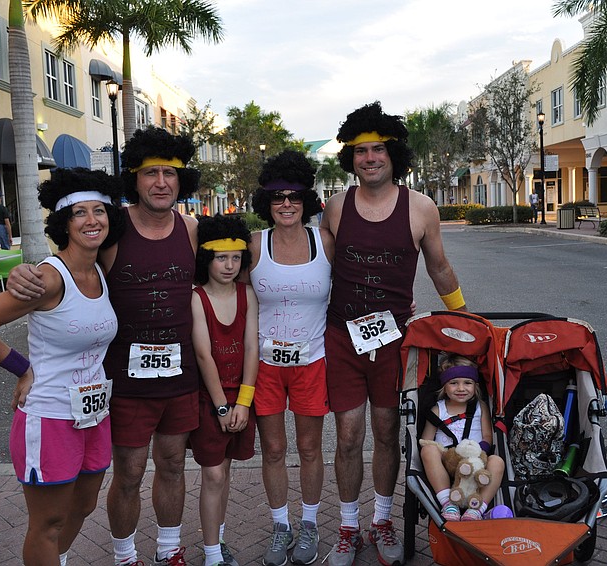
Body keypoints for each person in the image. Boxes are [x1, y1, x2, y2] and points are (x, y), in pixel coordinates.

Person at [6, 126, 202, 566]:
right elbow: (70, 265)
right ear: (134, 179)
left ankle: (170, 549)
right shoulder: (114, 231)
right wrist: (22, 272)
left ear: (180, 180)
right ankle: (124, 555)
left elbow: (225, 282)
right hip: (125, 381)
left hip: (181, 375)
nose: (160, 182)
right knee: (129, 473)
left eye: (169, 173)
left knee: (172, 465)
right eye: (150, 173)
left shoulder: (191, 229)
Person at [320, 101, 467, 566]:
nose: (369, 158)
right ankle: (348, 527)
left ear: (393, 153)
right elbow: (314, 271)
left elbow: (439, 267)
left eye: (378, 149)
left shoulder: (420, 208)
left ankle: (382, 520)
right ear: (351, 158)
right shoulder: (337, 207)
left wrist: (465, 321)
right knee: (347, 436)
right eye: (360, 151)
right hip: (342, 337)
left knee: (386, 433)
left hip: (392, 340)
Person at [0, 168, 124, 565]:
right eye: (79, 212)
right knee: (47, 521)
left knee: (83, 506)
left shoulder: (100, 268)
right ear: (64, 223)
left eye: (98, 211)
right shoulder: (48, 278)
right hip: (49, 415)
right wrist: (22, 367)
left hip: (94, 412)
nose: (91, 220)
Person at [248, 150, 333, 566]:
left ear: (307, 200)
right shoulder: (253, 245)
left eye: (295, 196)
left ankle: (311, 524)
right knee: (275, 450)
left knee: (311, 448)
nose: (286, 204)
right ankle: (281, 526)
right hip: (264, 366)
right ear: (266, 201)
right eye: (278, 197)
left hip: (312, 362)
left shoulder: (325, 243)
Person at [188, 215, 259, 566]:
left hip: (241, 399)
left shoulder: (248, 295)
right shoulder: (197, 298)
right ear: (206, 258)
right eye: (220, 257)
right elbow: (203, 353)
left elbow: (251, 349)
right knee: (213, 472)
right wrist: (221, 407)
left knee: (225, 471)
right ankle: (213, 554)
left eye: (235, 258)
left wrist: (243, 403)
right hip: (210, 399)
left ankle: (219, 539)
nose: (229, 265)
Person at [419, 354, 504, 521]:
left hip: (476, 461)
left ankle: (477, 509)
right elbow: (426, 440)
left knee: (497, 462)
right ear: (444, 386)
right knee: (428, 450)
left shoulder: (480, 407)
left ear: (475, 386)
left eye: (467, 383)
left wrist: (477, 454)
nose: (461, 388)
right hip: (447, 462)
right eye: (453, 383)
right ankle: (448, 503)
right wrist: (447, 454)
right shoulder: (438, 410)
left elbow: (487, 436)